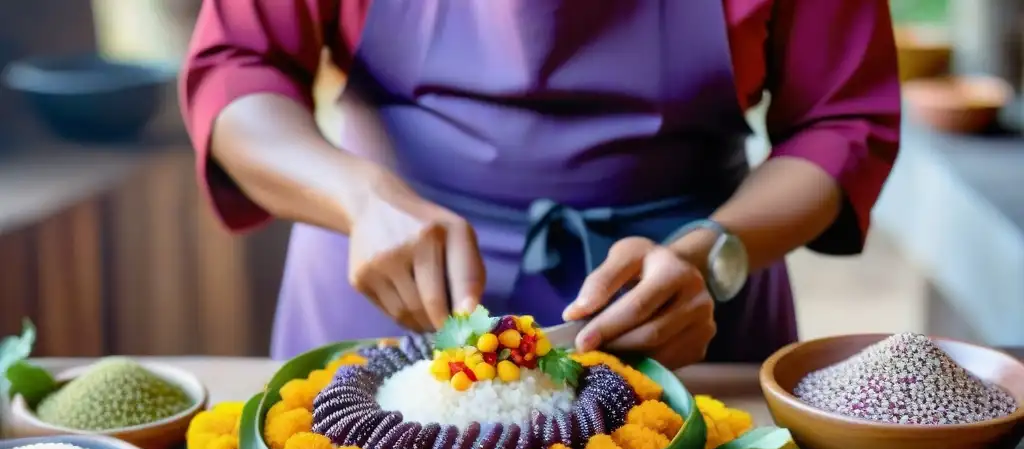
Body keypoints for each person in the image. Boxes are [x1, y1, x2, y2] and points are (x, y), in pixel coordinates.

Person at [180, 0, 901, 368]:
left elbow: (841, 119)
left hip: (686, 316)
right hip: (379, 300)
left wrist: (712, 253)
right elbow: (239, 65)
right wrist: (355, 196)